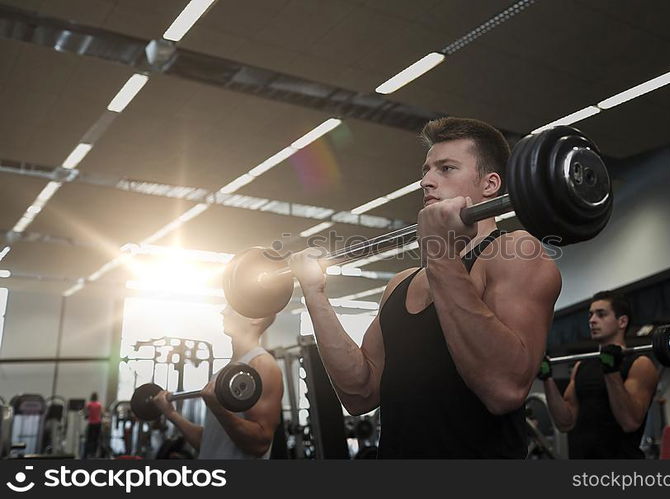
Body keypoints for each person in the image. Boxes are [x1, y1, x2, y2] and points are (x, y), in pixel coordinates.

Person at [289, 117, 561, 457]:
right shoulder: (400, 285)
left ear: (490, 185)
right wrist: (315, 296)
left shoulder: (514, 253)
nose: (425, 181)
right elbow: (359, 394)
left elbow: (504, 389)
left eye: (446, 169)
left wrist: (439, 252)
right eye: (426, 170)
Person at [151, 306, 283, 459]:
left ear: (256, 318)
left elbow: (260, 444)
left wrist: (218, 408)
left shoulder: (263, 365)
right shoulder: (224, 372)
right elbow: (208, 442)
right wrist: (171, 414)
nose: (224, 312)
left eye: (233, 308)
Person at [539, 291, 659, 458]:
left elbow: (630, 421)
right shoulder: (581, 366)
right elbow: (565, 423)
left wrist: (611, 371)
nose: (592, 320)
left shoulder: (640, 364)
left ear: (622, 322)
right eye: (591, 315)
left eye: (601, 314)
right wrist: (547, 379)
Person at [83, 392, 102, 458]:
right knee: (96, 439)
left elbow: (86, 414)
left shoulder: (89, 405)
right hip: (98, 424)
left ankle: (87, 454)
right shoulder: (99, 405)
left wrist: (87, 416)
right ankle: (94, 454)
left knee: (89, 440)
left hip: (91, 423)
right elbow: (101, 414)